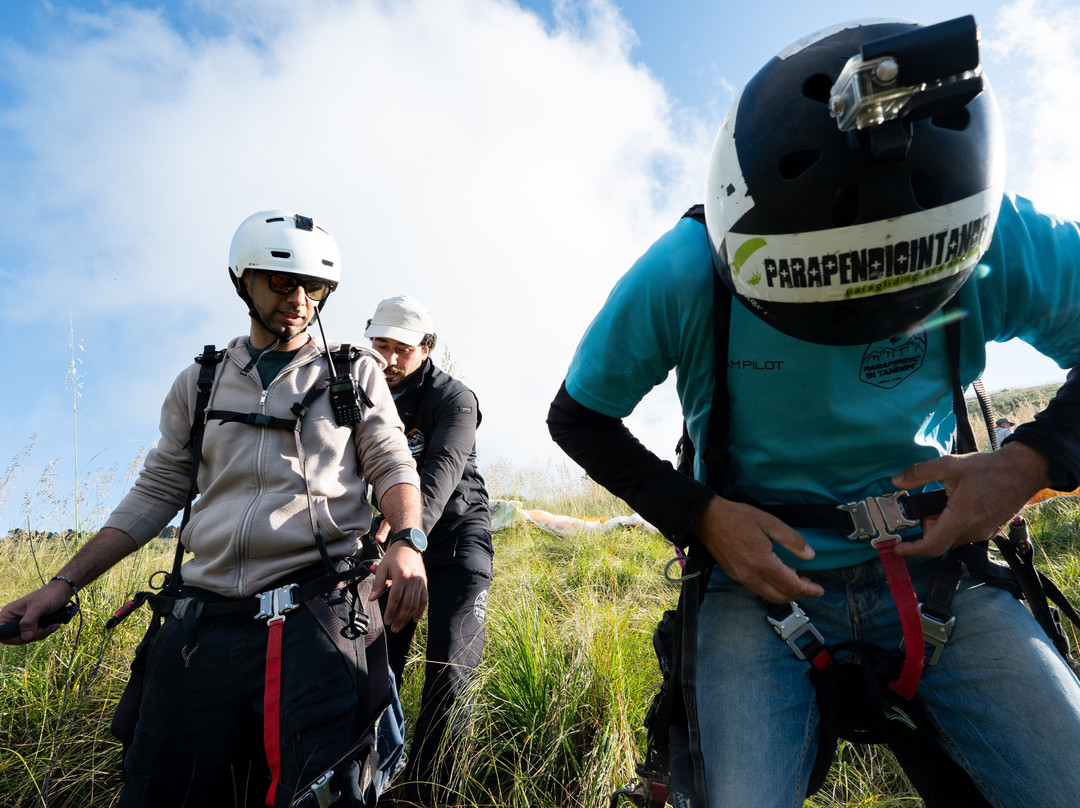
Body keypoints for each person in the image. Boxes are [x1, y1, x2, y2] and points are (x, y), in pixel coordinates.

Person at [547, 17, 1080, 808]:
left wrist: (1027, 463)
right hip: (756, 590)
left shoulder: (991, 235)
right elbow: (579, 417)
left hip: (935, 572)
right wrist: (700, 517)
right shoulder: (686, 273)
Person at [0, 210, 429, 808]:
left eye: (317, 288)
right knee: (159, 791)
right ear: (242, 281)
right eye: (282, 283)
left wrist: (407, 539)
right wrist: (62, 582)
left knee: (319, 795)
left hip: (316, 619)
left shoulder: (351, 373)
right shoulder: (199, 383)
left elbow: (390, 462)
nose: (301, 301)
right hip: (201, 627)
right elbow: (155, 492)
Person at [364, 295, 493, 807]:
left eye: (402, 350)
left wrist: (405, 537)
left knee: (451, 671)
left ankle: (427, 793)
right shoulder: (361, 393)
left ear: (427, 348)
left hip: (456, 544)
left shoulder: (455, 398)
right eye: (381, 346)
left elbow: (439, 473)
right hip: (392, 548)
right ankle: (369, 777)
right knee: (376, 667)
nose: (391, 361)